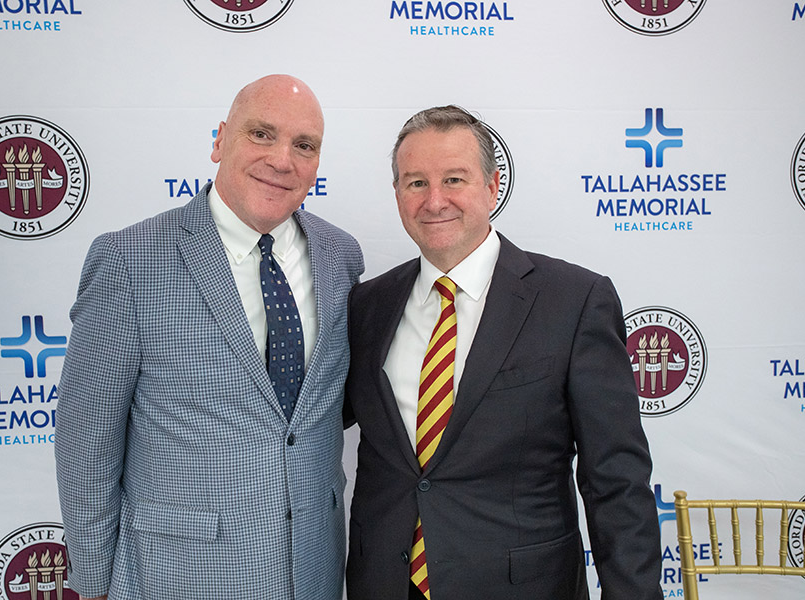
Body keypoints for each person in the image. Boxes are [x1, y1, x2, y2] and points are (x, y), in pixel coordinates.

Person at [55, 74, 364, 600]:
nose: (281, 159)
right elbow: (87, 439)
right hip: (175, 572)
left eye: (303, 145)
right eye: (261, 134)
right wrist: (92, 580)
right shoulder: (129, 261)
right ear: (220, 140)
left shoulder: (341, 257)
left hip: (313, 567)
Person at [343, 105, 661, 600]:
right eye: (415, 183)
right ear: (398, 193)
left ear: (493, 187)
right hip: (385, 583)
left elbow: (615, 480)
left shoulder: (574, 300)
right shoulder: (367, 305)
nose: (434, 200)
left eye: (454, 179)